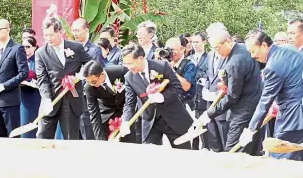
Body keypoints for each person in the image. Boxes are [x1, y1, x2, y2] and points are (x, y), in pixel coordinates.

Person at [195, 25, 262, 154]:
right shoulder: (243, 48)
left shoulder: (234, 63)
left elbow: (232, 96)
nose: (217, 52)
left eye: (218, 48)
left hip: (243, 112)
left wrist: (209, 113)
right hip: (254, 108)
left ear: (228, 41)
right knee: (250, 152)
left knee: (232, 151)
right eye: (214, 48)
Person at [243, 30, 303, 161]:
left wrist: (251, 128)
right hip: (298, 112)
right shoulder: (289, 48)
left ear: (264, 45)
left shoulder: (272, 66)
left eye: (253, 51)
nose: (252, 56)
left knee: (282, 158)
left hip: (292, 118)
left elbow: (265, 100)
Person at [120, 44, 193, 149]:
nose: (128, 67)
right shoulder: (129, 77)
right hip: (150, 121)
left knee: (182, 153)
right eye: (125, 64)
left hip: (172, 117)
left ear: (140, 58)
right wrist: (126, 121)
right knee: (150, 156)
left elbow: (177, 88)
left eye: (130, 63)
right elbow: (129, 103)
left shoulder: (161, 66)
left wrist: (162, 97)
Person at [35, 17, 92, 140]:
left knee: (72, 138)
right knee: (43, 136)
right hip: (51, 99)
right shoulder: (41, 53)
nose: (48, 39)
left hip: (71, 100)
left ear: (60, 32)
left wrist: (83, 73)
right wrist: (46, 99)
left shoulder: (76, 48)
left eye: (51, 35)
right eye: (46, 35)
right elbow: (42, 78)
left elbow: (91, 64)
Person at [0, 19, 29, 137]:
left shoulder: (17, 48)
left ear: (8, 30)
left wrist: (4, 86)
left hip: (10, 101)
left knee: (13, 135)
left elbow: (23, 73)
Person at [83, 60, 134, 141]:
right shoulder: (89, 87)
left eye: (93, 81)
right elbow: (94, 113)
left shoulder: (120, 71)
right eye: (88, 81)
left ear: (102, 74)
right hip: (108, 117)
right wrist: (100, 139)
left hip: (127, 110)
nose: (91, 84)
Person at [19, 36, 42, 138]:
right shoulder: (19, 60)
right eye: (23, 47)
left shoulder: (38, 60)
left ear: (34, 47)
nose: (25, 49)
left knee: (32, 121)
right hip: (20, 95)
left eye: (28, 46)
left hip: (34, 95)